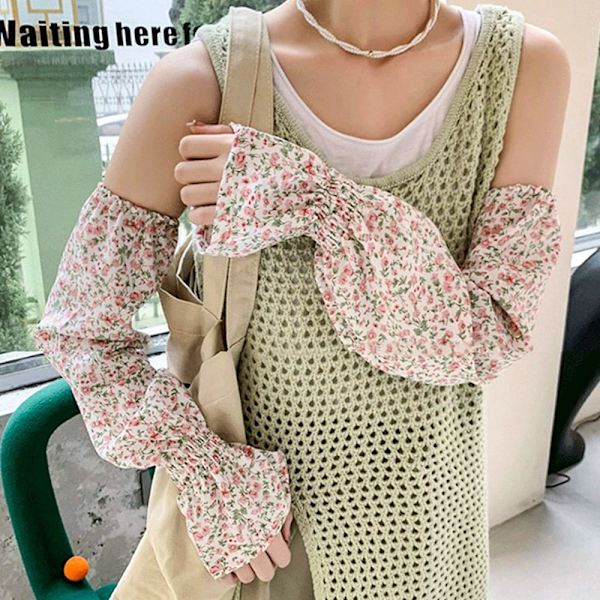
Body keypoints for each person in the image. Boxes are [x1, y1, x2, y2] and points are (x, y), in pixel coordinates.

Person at [35, 1, 570, 598]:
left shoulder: (522, 67)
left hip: (436, 532)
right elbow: (84, 330)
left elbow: (489, 332)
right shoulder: (202, 82)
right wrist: (210, 474)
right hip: (277, 546)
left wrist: (312, 197)